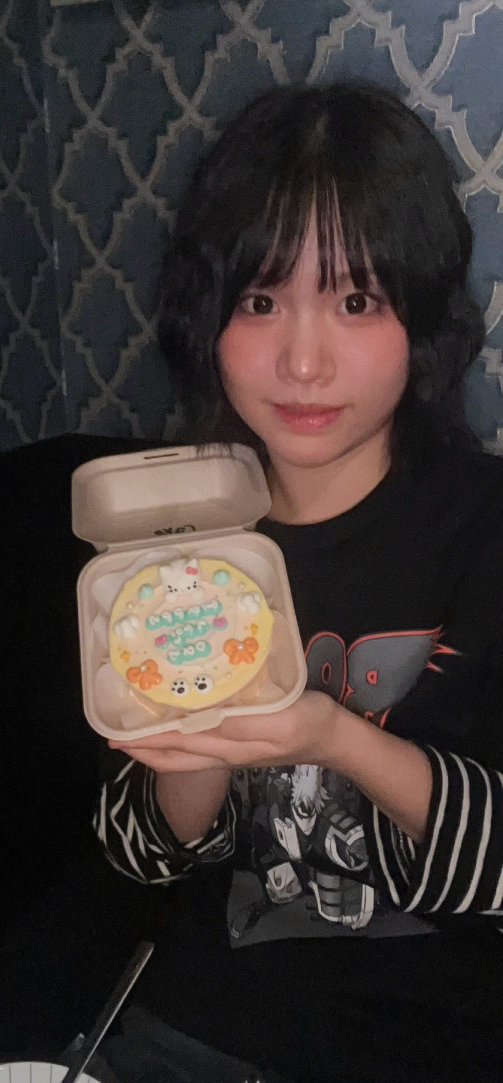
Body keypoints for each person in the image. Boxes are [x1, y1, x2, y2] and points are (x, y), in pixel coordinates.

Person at [95, 82, 503, 1081]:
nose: (303, 362)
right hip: (196, 1029)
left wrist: (327, 736)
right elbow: (135, 854)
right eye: (261, 300)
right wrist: (198, 742)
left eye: (356, 301)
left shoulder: (485, 527)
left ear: (421, 319)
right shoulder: (168, 535)